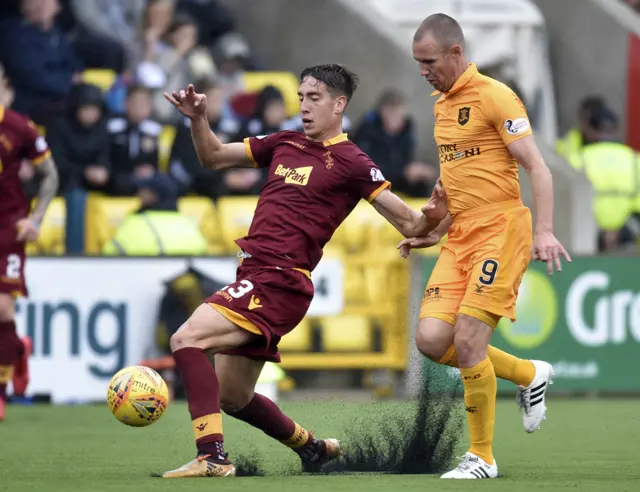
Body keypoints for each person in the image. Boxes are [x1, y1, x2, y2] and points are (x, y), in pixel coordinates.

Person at [161, 64, 442, 478]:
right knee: (233, 395)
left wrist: (441, 214)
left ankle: (212, 457)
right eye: (301, 98)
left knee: (186, 339)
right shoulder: (283, 142)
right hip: (254, 276)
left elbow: (410, 223)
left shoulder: (352, 161)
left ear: (339, 104)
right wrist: (199, 119)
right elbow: (214, 156)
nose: (305, 107)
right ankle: (312, 449)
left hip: (280, 280)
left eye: (314, 98)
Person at [399, 14, 571, 479]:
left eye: (428, 60)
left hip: (501, 229)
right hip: (462, 236)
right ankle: (528, 374)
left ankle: (482, 458)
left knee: (470, 338)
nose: (423, 70)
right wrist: (433, 229)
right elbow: (460, 183)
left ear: (456, 53)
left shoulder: (496, 96)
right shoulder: (440, 105)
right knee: (432, 341)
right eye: (417, 62)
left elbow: (537, 167)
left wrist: (546, 230)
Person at [0, 64, 59, 421]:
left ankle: (1, 391)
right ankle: (17, 349)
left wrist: (36, 219)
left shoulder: (20, 128)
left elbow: (50, 175)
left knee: (3, 309)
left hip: (7, 228)